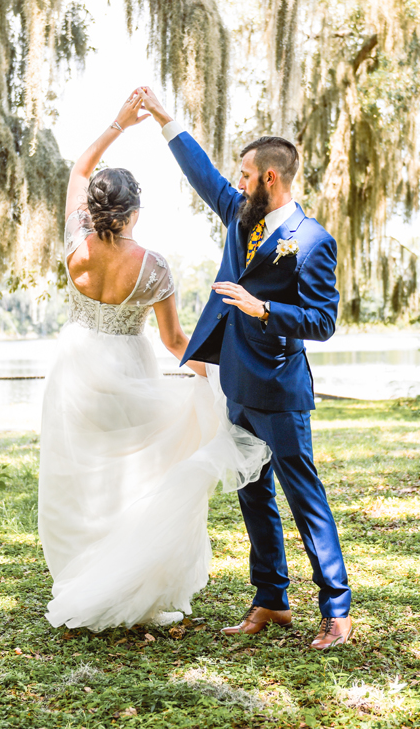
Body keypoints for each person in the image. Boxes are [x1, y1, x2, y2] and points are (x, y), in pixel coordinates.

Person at [38, 89, 269, 632]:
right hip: (127, 368)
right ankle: (128, 580)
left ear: (94, 210)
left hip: (74, 369)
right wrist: (209, 379)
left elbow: (78, 170)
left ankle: (83, 574)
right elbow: (173, 341)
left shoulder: (75, 244)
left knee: (81, 477)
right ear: (135, 212)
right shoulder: (155, 268)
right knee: (135, 474)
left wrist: (118, 123)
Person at [139, 87, 354, 650]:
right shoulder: (240, 213)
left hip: (280, 388)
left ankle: (336, 611)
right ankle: (271, 600)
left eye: (245, 175)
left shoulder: (312, 241)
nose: (236, 182)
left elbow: (322, 321)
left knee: (303, 496)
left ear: (272, 180)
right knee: (251, 494)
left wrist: (264, 309)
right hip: (234, 381)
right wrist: (165, 120)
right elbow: (202, 174)